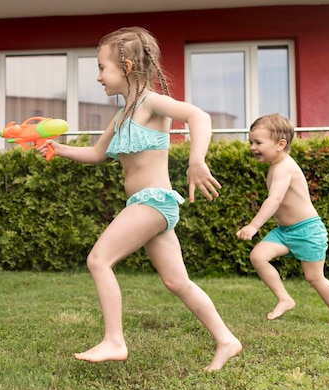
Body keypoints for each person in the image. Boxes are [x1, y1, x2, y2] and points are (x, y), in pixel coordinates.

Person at [38, 26, 242, 371]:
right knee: (176, 281)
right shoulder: (122, 116)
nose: (99, 76)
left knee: (99, 260)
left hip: (154, 201)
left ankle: (114, 340)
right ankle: (227, 340)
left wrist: (197, 160)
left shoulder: (151, 103)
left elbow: (199, 116)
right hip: (144, 205)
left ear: (128, 67)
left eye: (103, 67)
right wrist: (58, 149)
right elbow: (97, 153)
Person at [236, 114, 329, 327]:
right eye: (251, 141)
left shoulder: (284, 167)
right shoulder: (275, 165)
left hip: (307, 231)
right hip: (285, 232)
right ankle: (284, 298)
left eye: (258, 143)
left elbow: (275, 199)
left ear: (281, 144)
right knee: (258, 256)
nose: (253, 147)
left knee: (314, 277)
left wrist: (254, 225)